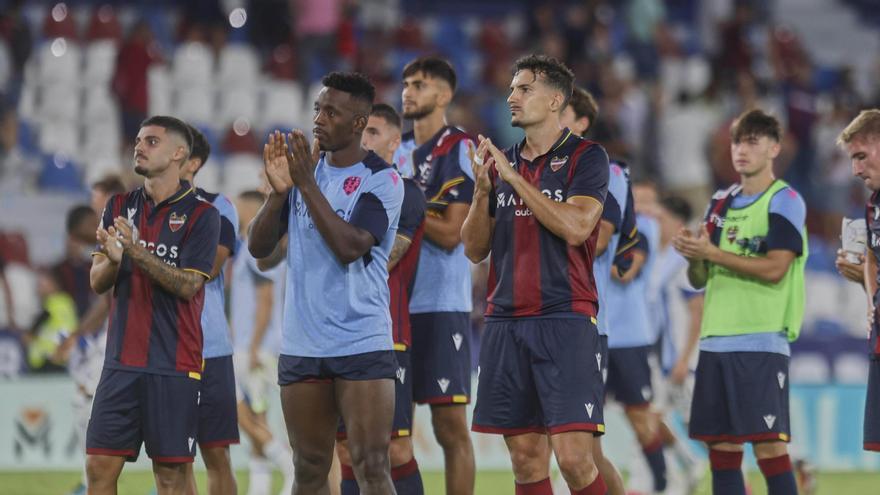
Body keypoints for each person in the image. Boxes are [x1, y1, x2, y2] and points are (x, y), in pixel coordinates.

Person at [248, 72, 403, 495]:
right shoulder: (303, 176)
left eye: (331, 111)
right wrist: (278, 195)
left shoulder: (382, 180)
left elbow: (351, 246)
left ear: (358, 124)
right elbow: (260, 250)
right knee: (310, 467)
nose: (318, 119)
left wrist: (305, 183)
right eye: (317, 108)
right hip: (302, 344)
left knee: (371, 465)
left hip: (361, 341)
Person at [462, 54, 610, 495]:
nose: (511, 96)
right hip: (505, 321)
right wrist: (482, 191)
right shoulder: (500, 164)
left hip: (564, 317)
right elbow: (474, 249)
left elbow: (577, 226)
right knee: (526, 460)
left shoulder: (588, 158)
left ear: (554, 100)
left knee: (575, 459)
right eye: (511, 88)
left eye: (524, 88)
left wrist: (514, 178)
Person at [673, 108, 806, 495]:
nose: (741, 150)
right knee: (722, 449)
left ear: (774, 148)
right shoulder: (720, 202)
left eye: (752, 141)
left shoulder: (785, 200)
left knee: (769, 447)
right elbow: (699, 279)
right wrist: (695, 256)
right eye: (736, 142)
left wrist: (711, 255)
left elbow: (776, 267)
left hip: (760, 340)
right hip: (715, 341)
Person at [86, 115, 220, 494]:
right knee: (98, 466)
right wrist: (112, 259)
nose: (139, 147)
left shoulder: (202, 216)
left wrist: (134, 251)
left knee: (171, 477)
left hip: (174, 365)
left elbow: (188, 285)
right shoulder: (118, 206)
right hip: (120, 363)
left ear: (180, 153)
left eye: (152, 141)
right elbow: (98, 283)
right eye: (139, 141)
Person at [394, 56, 477, 495]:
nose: (408, 91)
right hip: (393, 308)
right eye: (406, 83)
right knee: (394, 434)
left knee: (449, 428)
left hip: (442, 304)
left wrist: (405, 202)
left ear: (444, 95)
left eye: (420, 84)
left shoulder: (459, 148)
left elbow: (452, 235)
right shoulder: (396, 150)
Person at [337, 103, 427, 494]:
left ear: (395, 141)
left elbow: (386, 258)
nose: (364, 139)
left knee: (395, 447)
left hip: (385, 332)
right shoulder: (340, 189)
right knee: (344, 449)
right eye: (361, 131)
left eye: (373, 132)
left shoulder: (405, 192)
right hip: (336, 332)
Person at [558, 85, 625, 495]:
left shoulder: (603, 172)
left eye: (561, 112)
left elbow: (599, 238)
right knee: (559, 451)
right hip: (543, 318)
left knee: (585, 454)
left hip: (584, 321)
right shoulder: (539, 167)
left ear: (581, 122)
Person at [180, 124, 240, 495]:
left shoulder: (218, 206)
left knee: (216, 456)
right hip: (161, 349)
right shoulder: (141, 208)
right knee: (173, 458)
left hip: (209, 347)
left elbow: (209, 268)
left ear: (193, 162)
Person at [231, 190, 295, 495]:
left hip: (256, 346)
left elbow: (265, 299)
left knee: (240, 412)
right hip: (251, 343)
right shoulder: (249, 247)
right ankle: (261, 488)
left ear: (251, 209)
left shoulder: (258, 249)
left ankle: (288, 464)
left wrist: (254, 346)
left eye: (241, 205)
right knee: (256, 416)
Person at [835, 108, 880, 453]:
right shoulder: (874, 205)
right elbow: (872, 254)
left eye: (862, 156)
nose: (855, 170)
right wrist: (870, 300)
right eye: (853, 159)